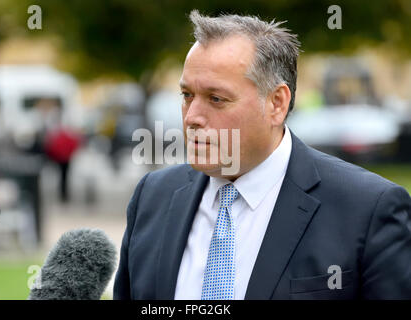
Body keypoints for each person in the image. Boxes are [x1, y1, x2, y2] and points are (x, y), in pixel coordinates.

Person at [113, 10, 411, 300]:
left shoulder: (367, 210)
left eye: (216, 99)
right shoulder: (152, 197)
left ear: (276, 104)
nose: (192, 117)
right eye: (187, 95)